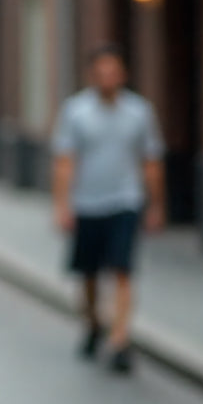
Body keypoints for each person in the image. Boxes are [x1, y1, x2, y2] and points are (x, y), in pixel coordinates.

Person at [52, 44, 166, 374]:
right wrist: (62, 205)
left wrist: (156, 205)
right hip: (86, 204)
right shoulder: (75, 111)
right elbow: (64, 161)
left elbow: (151, 161)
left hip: (125, 202)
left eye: (113, 71)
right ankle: (92, 323)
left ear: (123, 74)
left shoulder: (140, 112)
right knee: (88, 274)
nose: (108, 78)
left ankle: (119, 341)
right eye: (101, 72)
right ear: (92, 76)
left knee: (122, 270)